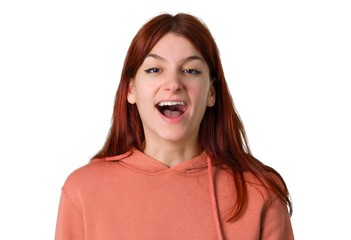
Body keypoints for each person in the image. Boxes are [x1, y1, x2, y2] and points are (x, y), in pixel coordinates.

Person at [55, 13, 294, 240]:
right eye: (154, 70)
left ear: (211, 92)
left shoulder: (260, 191)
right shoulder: (83, 191)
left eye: (190, 70)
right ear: (131, 90)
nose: (173, 83)